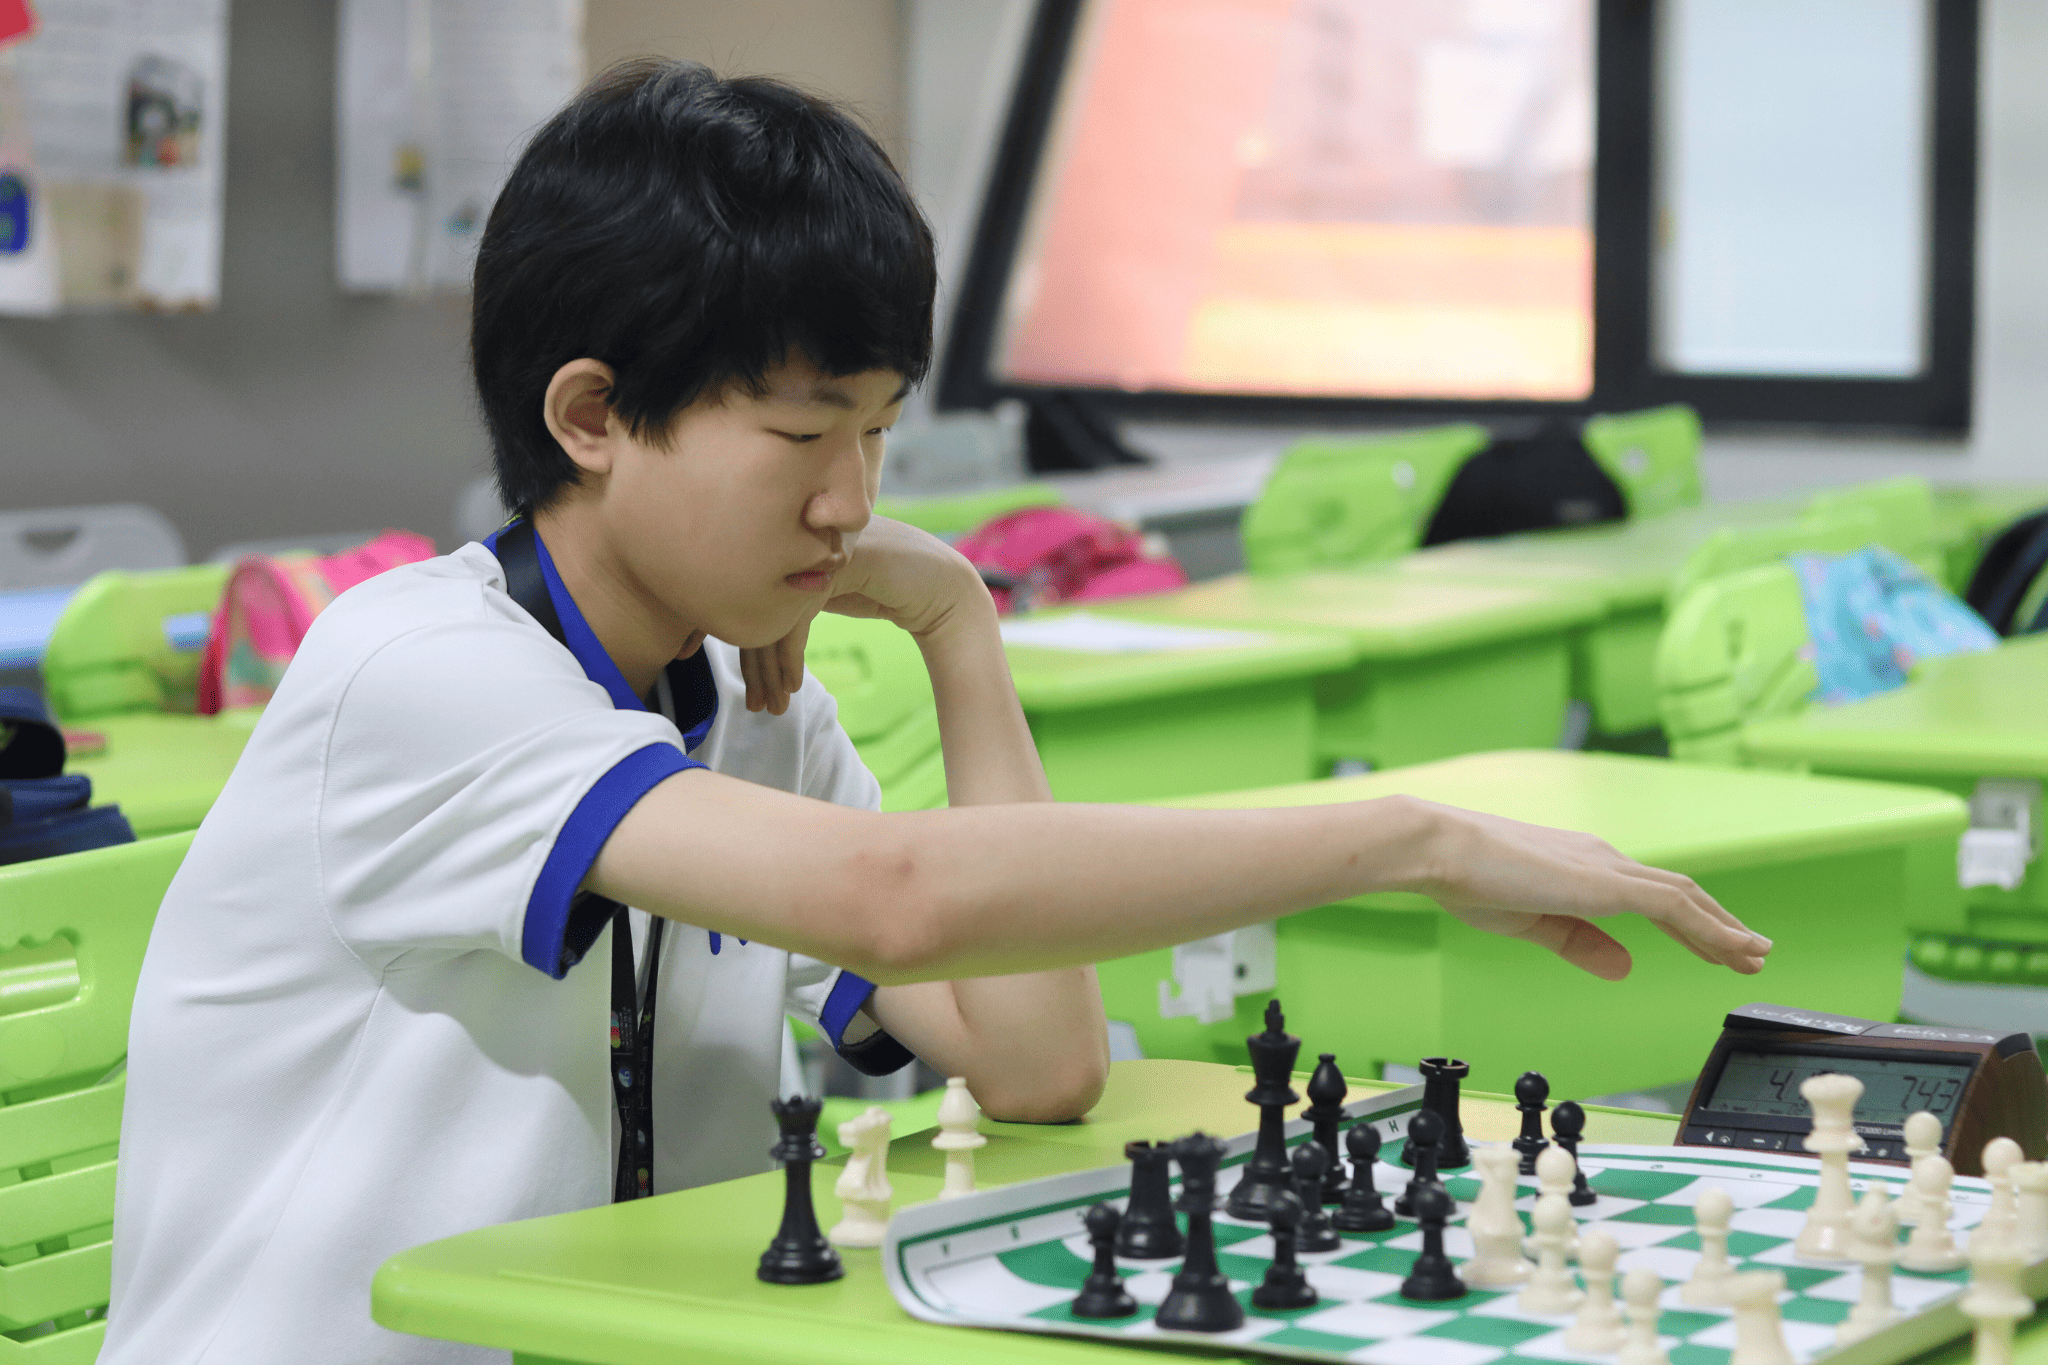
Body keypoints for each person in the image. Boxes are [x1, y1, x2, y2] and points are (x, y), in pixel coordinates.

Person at [100, 60, 1770, 1365]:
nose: (851, 501)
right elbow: (894, 901)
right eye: (803, 433)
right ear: (596, 415)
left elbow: (1042, 1063)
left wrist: (964, 625)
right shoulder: (420, 675)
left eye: (882, 436)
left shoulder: (752, 711)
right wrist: (1406, 839)